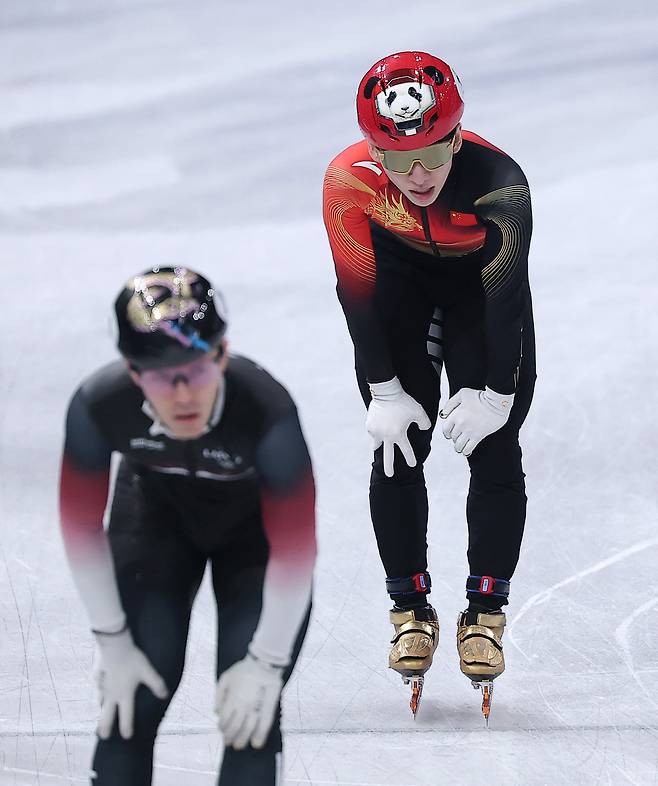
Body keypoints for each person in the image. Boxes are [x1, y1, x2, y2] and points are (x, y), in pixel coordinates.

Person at [322, 51, 536, 716]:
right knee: (396, 448)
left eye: (433, 155)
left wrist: (497, 395)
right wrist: (384, 389)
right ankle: (409, 610)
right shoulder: (348, 180)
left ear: (457, 137)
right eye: (396, 158)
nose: (417, 175)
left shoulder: (501, 183)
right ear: (374, 151)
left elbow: (505, 296)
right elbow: (356, 292)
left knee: (495, 448)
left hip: (479, 296)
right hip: (400, 288)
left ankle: (485, 613)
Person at [58, 266, 316, 783]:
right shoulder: (98, 405)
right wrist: (112, 640)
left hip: (253, 543)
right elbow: (80, 529)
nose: (181, 395)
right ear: (133, 373)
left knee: (251, 720)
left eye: (196, 371)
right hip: (155, 523)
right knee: (130, 704)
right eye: (160, 376)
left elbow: (296, 552)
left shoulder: (266, 410)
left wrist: (267, 663)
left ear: (222, 356)